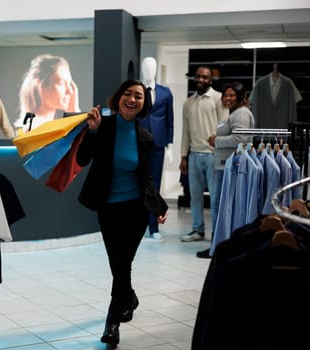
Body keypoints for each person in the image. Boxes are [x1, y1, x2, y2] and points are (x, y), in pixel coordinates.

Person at [76, 80, 168, 346]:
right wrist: (91, 132)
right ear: (118, 98)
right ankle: (129, 297)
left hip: (137, 209)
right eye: (127, 93)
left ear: (143, 103)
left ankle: (112, 322)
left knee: (123, 262)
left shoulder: (145, 137)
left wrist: (158, 207)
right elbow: (82, 160)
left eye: (138, 96)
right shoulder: (103, 126)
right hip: (109, 206)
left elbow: (147, 178)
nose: (132, 99)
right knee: (118, 262)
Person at [196, 81, 255, 258]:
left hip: (230, 167)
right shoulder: (235, 113)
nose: (227, 98)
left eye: (231, 95)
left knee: (221, 208)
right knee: (220, 207)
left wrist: (217, 141)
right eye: (225, 95)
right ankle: (220, 245)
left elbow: (241, 139)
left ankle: (219, 247)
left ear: (240, 96)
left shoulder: (241, 114)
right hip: (224, 166)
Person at [180, 66, 227, 243]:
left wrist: (222, 153)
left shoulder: (218, 99)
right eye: (198, 77)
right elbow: (185, 131)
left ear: (211, 80)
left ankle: (217, 234)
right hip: (194, 156)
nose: (201, 80)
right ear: (194, 78)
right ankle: (197, 230)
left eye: (205, 77)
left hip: (213, 155)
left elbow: (224, 126)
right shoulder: (188, 103)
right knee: (195, 197)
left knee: (215, 198)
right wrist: (183, 156)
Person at [139, 56, 174, 241]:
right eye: (146, 67)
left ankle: (153, 227)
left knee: (155, 184)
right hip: (139, 142)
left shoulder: (165, 93)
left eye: (152, 67)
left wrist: (169, 146)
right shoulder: (135, 91)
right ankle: (137, 225)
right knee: (137, 182)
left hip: (158, 143)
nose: (149, 70)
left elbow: (170, 120)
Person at [16, 54, 80, 132]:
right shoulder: (34, 128)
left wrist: (73, 112)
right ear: (41, 86)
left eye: (69, 83)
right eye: (62, 83)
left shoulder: (50, 124)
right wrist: (73, 114)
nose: (70, 91)